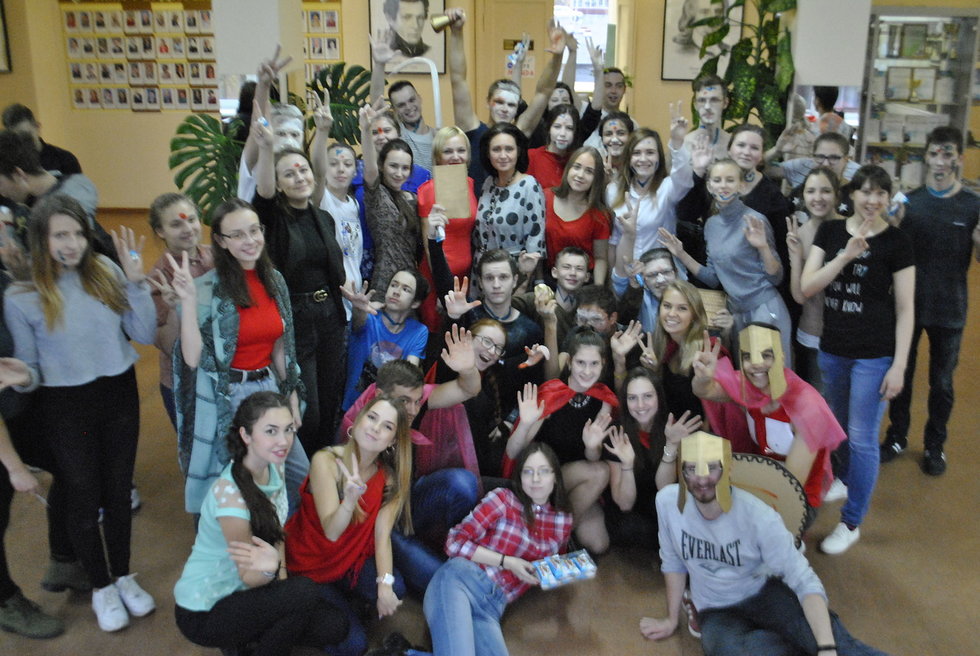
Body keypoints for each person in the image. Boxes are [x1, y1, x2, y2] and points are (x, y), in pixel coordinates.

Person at [0, 195, 156, 632]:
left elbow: (143, 333)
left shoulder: (105, 271)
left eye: (77, 234)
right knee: (84, 496)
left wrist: (137, 284)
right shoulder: (22, 295)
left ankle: (122, 575)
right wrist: (22, 376)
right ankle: (101, 586)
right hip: (65, 405)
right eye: (60, 235)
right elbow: (32, 369)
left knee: (118, 492)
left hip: (119, 392)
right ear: (41, 240)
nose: (71, 244)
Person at [640, 432, 888, 656]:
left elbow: (803, 580)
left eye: (712, 467)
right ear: (682, 472)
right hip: (716, 610)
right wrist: (671, 619)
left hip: (764, 591)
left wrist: (826, 648)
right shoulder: (667, 503)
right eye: (692, 468)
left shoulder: (757, 516)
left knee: (834, 644)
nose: (702, 478)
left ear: (727, 469)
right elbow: (673, 562)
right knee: (732, 650)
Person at [174, 392, 349, 655]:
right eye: (271, 431)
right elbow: (249, 575)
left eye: (288, 430)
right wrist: (272, 573)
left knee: (334, 625)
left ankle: (248, 643)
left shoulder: (273, 465)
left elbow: (276, 531)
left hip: (249, 588)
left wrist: (281, 581)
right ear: (246, 435)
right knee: (304, 592)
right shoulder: (232, 500)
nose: (284, 441)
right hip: (207, 607)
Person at [801, 165, 915, 555]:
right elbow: (807, 286)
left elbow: (906, 308)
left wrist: (899, 365)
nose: (872, 200)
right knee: (840, 429)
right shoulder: (831, 231)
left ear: (888, 197)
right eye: (866, 192)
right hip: (834, 349)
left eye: (881, 193)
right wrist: (845, 257)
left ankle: (851, 522)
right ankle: (846, 478)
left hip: (875, 354)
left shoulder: (897, 242)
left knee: (863, 437)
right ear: (851, 194)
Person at [170, 198, 309, 517]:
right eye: (237, 235)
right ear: (221, 241)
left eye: (254, 231)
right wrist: (187, 301)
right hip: (230, 397)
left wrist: (290, 394)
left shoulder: (274, 280)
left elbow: (280, 344)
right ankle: (253, 544)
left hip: (268, 389)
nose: (249, 241)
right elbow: (192, 358)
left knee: (296, 474)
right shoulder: (206, 288)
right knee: (244, 486)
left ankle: (281, 539)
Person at [882, 127, 980, 476]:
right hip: (909, 306)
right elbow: (892, 252)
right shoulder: (909, 202)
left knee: (942, 383)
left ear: (959, 158)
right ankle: (897, 436)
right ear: (925, 156)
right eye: (934, 153)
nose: (940, 161)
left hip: (950, 309)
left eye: (947, 154)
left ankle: (935, 445)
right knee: (902, 375)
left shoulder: (973, 205)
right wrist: (891, 227)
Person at [284, 397, 413, 656]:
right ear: (359, 419)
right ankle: (304, 614)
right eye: (372, 417)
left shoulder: (388, 477)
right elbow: (332, 531)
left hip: (347, 562)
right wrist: (350, 501)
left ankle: (340, 602)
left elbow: (382, 537)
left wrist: (384, 585)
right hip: (308, 565)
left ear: (392, 441)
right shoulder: (326, 460)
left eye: (387, 426)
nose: (376, 427)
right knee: (355, 645)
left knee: (395, 587)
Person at [253, 106, 349, 453]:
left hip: (330, 316)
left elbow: (331, 270)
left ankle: (324, 463)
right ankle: (304, 470)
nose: (299, 177)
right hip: (295, 319)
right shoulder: (273, 217)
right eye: (288, 174)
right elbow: (263, 194)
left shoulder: (323, 217)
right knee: (308, 408)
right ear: (278, 183)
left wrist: (321, 131)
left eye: (303, 170)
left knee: (331, 398)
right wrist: (267, 148)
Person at [423, 442, 573, 656]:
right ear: (520, 477)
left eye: (543, 471)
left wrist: (547, 572)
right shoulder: (503, 500)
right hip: (461, 580)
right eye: (528, 472)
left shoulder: (562, 521)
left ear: (555, 477)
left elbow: (553, 568)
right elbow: (454, 542)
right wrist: (507, 562)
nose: (535, 479)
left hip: (492, 608)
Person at [693, 324, 847, 517]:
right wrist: (703, 378)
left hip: (797, 499)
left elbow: (791, 484)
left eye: (766, 355)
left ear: (781, 357)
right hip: (759, 480)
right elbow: (706, 391)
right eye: (748, 356)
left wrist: (735, 484)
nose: (756, 364)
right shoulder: (748, 386)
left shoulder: (807, 406)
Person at [659, 158, 793, 363]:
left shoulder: (755, 220)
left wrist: (763, 247)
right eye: (717, 180)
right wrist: (680, 253)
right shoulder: (711, 225)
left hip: (765, 310)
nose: (723, 185)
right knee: (743, 377)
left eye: (730, 180)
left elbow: (776, 277)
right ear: (709, 186)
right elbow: (713, 278)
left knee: (772, 377)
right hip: (736, 315)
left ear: (741, 186)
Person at [504, 330, 619, 553]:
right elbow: (513, 453)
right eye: (581, 363)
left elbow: (592, 458)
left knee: (599, 544)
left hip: (576, 484)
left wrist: (592, 446)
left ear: (603, 364)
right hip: (541, 478)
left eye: (594, 364)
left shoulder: (603, 399)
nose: (587, 371)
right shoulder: (552, 393)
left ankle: (550, 530)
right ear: (569, 362)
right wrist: (525, 424)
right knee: (600, 472)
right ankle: (550, 542)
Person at [446, 8, 566, 190]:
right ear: (488, 102)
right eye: (500, 102)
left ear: (517, 108)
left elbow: (544, 91)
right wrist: (456, 32)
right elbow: (458, 79)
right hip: (475, 206)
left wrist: (557, 57)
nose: (504, 108)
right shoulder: (471, 128)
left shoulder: (519, 132)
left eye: (511, 105)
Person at [605, 368, 701, 548]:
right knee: (632, 528)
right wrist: (627, 464)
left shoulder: (672, 427)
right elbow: (625, 504)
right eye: (632, 398)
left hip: (660, 503)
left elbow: (665, 488)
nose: (640, 405)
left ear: (659, 397)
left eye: (647, 396)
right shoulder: (617, 433)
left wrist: (671, 444)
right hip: (630, 512)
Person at [606, 106, 703, 273]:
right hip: (627, 273)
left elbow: (684, 177)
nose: (643, 159)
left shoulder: (668, 187)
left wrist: (677, 143)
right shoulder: (613, 190)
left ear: (659, 157)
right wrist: (613, 279)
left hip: (662, 275)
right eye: (637, 153)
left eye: (650, 153)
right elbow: (613, 240)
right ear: (629, 158)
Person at [145, 193, 214, 428]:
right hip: (186, 383)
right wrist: (175, 308)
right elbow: (169, 345)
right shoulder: (159, 278)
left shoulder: (217, 257)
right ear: (160, 231)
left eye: (191, 219)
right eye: (176, 224)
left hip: (224, 376)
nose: (188, 229)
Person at [415, 126, 478, 330]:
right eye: (448, 151)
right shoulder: (428, 191)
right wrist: (444, 290)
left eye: (461, 150)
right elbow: (429, 247)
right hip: (438, 279)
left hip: (465, 278)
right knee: (441, 335)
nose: (455, 156)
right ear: (437, 156)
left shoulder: (470, 184)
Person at [785, 167, 842, 389]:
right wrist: (795, 257)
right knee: (815, 400)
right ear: (803, 196)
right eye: (811, 191)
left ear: (836, 195)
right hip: (812, 334)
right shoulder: (799, 235)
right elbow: (799, 296)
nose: (818, 198)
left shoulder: (852, 230)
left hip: (848, 335)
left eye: (825, 191)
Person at [340, 269, 429, 410]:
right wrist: (358, 309)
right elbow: (359, 320)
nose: (396, 292)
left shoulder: (418, 331)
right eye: (394, 285)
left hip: (389, 410)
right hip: (353, 407)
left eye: (405, 289)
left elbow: (410, 375)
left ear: (415, 303)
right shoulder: (369, 316)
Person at [358, 104, 424, 293]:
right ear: (382, 165)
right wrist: (366, 129)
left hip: (411, 282)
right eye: (393, 166)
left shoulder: (413, 198)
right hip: (384, 283)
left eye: (405, 168)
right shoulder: (377, 193)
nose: (399, 173)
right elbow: (370, 168)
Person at [472, 122, 546, 269]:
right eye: (496, 149)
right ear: (488, 153)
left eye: (509, 149)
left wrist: (523, 278)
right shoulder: (488, 183)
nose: (503, 155)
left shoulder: (529, 185)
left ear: (518, 151)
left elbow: (535, 241)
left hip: (513, 270)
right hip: (482, 268)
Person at [543, 146, 612, 285]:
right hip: (546, 278)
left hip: (581, 282)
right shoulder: (544, 197)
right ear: (568, 168)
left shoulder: (599, 215)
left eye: (589, 171)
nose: (580, 175)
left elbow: (600, 258)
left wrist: (596, 292)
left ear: (596, 178)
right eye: (577, 167)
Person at [1, 104, 81, 175]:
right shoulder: (7, 164)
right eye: (15, 137)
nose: (21, 140)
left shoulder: (64, 159)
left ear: (37, 127)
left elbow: (78, 187)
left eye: (26, 135)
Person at [611, 247, 677, 333]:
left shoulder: (690, 296)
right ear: (644, 281)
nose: (661, 280)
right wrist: (635, 285)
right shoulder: (642, 299)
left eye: (666, 272)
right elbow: (624, 319)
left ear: (676, 273)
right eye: (652, 275)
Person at [527, 104, 580, 191]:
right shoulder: (531, 156)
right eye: (557, 126)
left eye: (569, 128)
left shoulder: (578, 161)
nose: (562, 133)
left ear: (575, 132)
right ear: (549, 129)